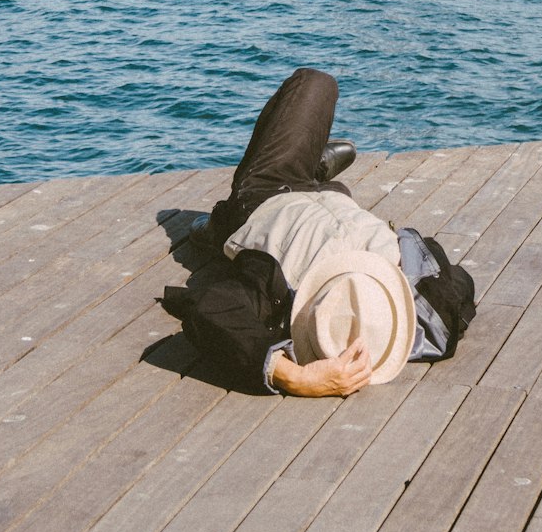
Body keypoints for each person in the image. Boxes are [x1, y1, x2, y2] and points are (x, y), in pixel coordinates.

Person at [161, 67, 475, 396]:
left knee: (314, 82)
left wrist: (296, 378)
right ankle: (316, 172)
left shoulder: (280, 288)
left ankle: (222, 221)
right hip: (334, 201)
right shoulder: (428, 302)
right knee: (332, 171)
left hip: (266, 196)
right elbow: (463, 283)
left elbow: (210, 310)